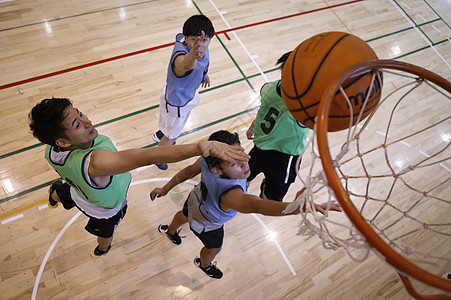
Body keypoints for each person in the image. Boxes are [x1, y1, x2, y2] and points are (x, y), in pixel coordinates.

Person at [28, 98, 249, 259]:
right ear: (63, 142)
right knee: (106, 231)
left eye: (80, 114)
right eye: (77, 124)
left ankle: (54, 193)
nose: (87, 122)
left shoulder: (51, 151)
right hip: (104, 208)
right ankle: (103, 249)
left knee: (68, 190)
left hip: (79, 190)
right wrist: (197, 147)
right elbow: (148, 156)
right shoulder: (97, 162)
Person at [150, 130, 341, 279]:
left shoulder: (207, 160)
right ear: (217, 170)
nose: (245, 162)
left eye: (240, 152)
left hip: (197, 198)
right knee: (214, 248)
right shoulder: (231, 195)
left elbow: (186, 172)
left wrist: (165, 189)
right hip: (209, 222)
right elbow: (258, 205)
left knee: (184, 214)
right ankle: (204, 264)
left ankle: (170, 231)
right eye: (234, 163)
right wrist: (297, 208)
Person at [152, 14, 215, 170]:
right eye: (194, 40)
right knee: (172, 135)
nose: (200, 44)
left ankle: (162, 132)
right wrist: (193, 55)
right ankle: (158, 156)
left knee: (167, 123)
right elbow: (184, 65)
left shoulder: (189, 40)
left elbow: (200, 62)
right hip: (177, 104)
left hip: (175, 93)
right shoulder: (182, 58)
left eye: (205, 40)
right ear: (186, 39)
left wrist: (204, 74)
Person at [246, 52, 310, 202]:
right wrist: (254, 124)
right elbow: (266, 109)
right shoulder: (303, 107)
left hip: (285, 157)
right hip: (263, 145)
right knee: (243, 177)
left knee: (269, 200)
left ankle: (264, 187)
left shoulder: (270, 88)